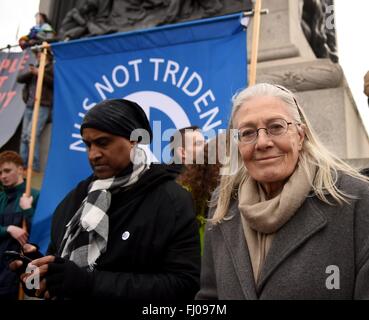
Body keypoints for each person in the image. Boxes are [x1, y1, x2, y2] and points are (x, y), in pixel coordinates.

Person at [11, 99, 200, 301]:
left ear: (134, 140)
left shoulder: (171, 200)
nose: (93, 154)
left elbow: (185, 285)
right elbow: (61, 271)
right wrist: (42, 273)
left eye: (103, 143)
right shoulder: (75, 201)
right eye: (88, 145)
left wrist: (89, 283)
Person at [196, 83, 369, 300]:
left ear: (300, 135)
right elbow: (210, 297)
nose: (262, 142)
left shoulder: (356, 199)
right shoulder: (222, 205)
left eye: (276, 127)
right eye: (247, 133)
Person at [0, 151, 39, 300]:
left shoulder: (34, 195)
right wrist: (8, 229)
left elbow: (42, 232)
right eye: (0, 172)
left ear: (20, 170)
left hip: (26, 270)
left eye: (7, 170)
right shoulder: (1, 198)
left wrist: (28, 210)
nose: (3, 176)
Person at [16, 47, 54, 172]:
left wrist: (40, 73)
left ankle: (33, 166)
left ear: (47, 55)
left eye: (40, 53)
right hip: (30, 105)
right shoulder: (35, 68)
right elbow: (19, 79)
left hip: (42, 105)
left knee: (32, 135)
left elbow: (54, 83)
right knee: (24, 136)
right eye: (37, 53)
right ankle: (22, 165)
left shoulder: (52, 68)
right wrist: (32, 72)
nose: (37, 55)